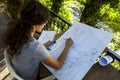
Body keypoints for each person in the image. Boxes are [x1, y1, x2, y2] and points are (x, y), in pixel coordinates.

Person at [2, 0, 73, 80]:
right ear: (36, 23)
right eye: (44, 21)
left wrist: (43, 46)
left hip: (20, 72)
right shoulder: (35, 46)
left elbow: (27, 49)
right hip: (31, 77)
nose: (45, 24)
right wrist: (67, 46)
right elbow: (58, 65)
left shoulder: (16, 32)